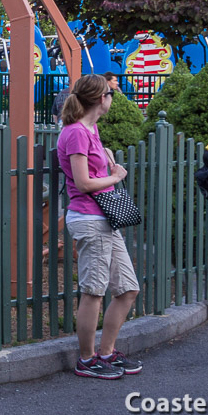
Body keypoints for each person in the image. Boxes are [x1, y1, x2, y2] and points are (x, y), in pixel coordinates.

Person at [57, 74, 142, 380]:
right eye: (110, 93)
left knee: (128, 288)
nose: (112, 98)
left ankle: (106, 352)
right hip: (89, 218)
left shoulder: (91, 130)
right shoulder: (78, 133)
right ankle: (87, 358)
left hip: (104, 217)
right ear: (99, 99)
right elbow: (83, 182)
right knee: (94, 291)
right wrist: (116, 176)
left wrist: (109, 164)